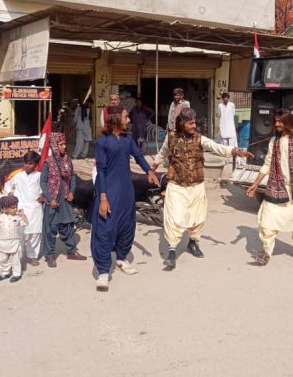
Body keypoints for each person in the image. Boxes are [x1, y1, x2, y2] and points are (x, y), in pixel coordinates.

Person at [153, 107, 251, 270]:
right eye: (190, 123)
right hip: (176, 185)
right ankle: (171, 251)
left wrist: (236, 151)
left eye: (194, 122)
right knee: (173, 217)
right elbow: (162, 153)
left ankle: (193, 243)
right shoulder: (170, 138)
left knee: (197, 217)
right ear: (182, 123)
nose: (194, 125)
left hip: (196, 186)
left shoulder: (199, 139)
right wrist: (152, 169)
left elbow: (216, 147)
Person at [92, 105, 159, 291]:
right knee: (106, 229)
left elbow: (138, 156)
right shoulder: (102, 142)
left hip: (126, 190)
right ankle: (104, 271)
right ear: (115, 118)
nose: (129, 120)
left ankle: (121, 259)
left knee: (127, 225)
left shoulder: (127, 139)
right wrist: (103, 198)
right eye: (125, 116)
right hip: (109, 191)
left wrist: (149, 171)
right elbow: (101, 171)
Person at [246, 109, 293, 266]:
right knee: (267, 219)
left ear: (288, 122)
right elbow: (267, 164)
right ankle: (266, 252)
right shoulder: (273, 141)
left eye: (280, 121)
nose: (276, 124)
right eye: (275, 121)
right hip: (276, 188)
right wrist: (255, 184)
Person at [40, 133, 87, 268]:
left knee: (68, 225)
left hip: (65, 199)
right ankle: (49, 255)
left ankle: (72, 251)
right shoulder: (48, 162)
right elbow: (43, 182)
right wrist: (50, 198)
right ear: (54, 146)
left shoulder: (67, 160)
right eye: (61, 144)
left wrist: (72, 191)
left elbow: (72, 176)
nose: (64, 147)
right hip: (53, 201)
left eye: (64, 144)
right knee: (50, 228)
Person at [4, 151, 43, 266]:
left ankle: (32, 256)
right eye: (26, 163)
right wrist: (10, 193)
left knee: (35, 234)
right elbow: (7, 186)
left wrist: (43, 195)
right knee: (21, 234)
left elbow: (44, 189)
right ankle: (18, 256)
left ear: (35, 164)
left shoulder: (39, 176)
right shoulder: (18, 176)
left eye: (30, 163)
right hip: (22, 209)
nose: (27, 166)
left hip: (35, 209)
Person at [0, 195, 28, 283]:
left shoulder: (18, 217)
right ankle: (5, 272)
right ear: (4, 209)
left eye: (16, 207)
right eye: (13, 208)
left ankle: (16, 274)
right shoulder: (1, 218)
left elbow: (25, 223)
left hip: (14, 243)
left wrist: (23, 216)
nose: (15, 209)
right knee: (3, 259)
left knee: (16, 259)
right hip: (2, 243)